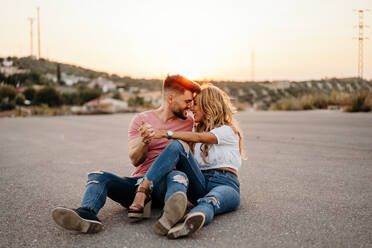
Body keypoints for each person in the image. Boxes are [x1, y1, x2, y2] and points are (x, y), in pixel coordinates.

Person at [51, 75, 201, 233]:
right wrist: (145, 140)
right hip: (138, 182)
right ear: (171, 98)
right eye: (187, 101)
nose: (190, 106)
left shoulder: (190, 123)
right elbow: (135, 160)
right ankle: (87, 212)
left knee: (178, 177)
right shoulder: (141, 120)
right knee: (98, 176)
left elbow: (196, 154)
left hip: (167, 183)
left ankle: (170, 217)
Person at [130, 84, 244, 238]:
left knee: (210, 201)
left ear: (208, 106)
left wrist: (165, 133)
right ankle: (143, 190)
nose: (191, 108)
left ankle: (190, 221)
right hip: (200, 182)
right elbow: (184, 151)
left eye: (195, 104)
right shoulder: (195, 130)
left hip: (226, 183)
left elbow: (201, 138)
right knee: (177, 145)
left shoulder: (228, 130)